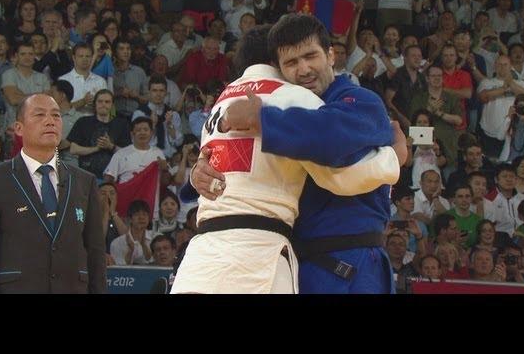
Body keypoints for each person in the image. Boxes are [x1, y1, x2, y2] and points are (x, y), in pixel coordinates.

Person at [174, 21, 406, 294]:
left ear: (331, 55)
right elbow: (242, 158)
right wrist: (197, 171)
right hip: (297, 257)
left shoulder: (358, 100)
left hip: (353, 256)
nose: (304, 69)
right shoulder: (286, 104)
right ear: (279, 68)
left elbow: (327, 139)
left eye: (310, 56)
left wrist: (263, 119)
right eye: (291, 62)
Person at [0, 93, 106, 293]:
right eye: (40, 115)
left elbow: (95, 252)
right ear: (19, 128)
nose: (50, 121)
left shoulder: (84, 181)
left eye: (56, 116)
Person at [68, 90, 131, 180]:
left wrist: (110, 146)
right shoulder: (83, 122)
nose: (103, 104)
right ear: (95, 104)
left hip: (113, 177)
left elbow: (127, 153)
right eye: (100, 101)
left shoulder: (122, 124)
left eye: (107, 102)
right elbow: (73, 149)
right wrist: (96, 148)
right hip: (86, 176)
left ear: (112, 105)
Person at [59, 43, 108, 115]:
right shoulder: (63, 80)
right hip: (71, 124)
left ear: (92, 58)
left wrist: (96, 104)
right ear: (74, 58)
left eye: (87, 56)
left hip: (94, 123)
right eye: (81, 56)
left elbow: (107, 107)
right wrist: (83, 101)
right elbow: (60, 108)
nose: (84, 59)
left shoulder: (100, 81)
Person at [109, 200, 157, 266]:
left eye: (145, 214)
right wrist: (131, 251)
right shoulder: (117, 243)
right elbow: (119, 269)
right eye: (137, 214)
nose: (141, 218)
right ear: (130, 219)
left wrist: (144, 246)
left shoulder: (156, 238)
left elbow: (157, 263)